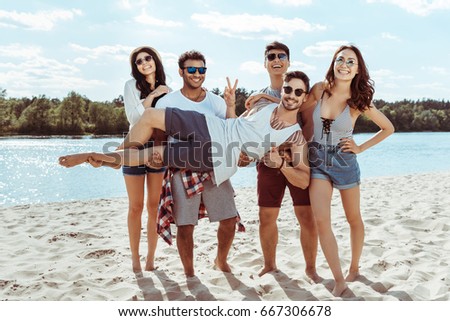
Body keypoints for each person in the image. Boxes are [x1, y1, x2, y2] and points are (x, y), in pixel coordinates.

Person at [58, 71, 311, 205]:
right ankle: (114, 158)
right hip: (212, 126)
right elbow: (240, 120)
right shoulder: (263, 104)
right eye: (287, 88)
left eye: (298, 92)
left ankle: (108, 158)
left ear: (304, 97)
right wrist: (266, 97)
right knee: (150, 116)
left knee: (156, 155)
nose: (291, 94)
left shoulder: (295, 137)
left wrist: (281, 165)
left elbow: (303, 179)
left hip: (221, 156)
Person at [299, 44, 395, 296]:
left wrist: (360, 147)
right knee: (321, 221)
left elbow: (388, 128)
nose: (344, 64)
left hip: (344, 160)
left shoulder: (358, 101)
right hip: (317, 159)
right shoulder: (320, 89)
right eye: (340, 59)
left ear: (357, 69)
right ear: (333, 63)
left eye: (350, 61)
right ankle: (339, 279)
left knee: (354, 218)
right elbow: (296, 106)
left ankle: (354, 268)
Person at [153, 50, 239, 277]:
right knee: (185, 224)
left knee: (229, 219)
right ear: (181, 72)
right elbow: (159, 135)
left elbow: (231, 132)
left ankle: (221, 261)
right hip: (182, 169)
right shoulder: (168, 101)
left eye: (202, 69)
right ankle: (189, 272)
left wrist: (231, 106)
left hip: (214, 167)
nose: (197, 74)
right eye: (191, 69)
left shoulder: (216, 102)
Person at [241, 41, 320, 281]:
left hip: (299, 158)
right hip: (268, 160)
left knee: (306, 216)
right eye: (272, 56)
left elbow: (299, 106)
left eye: (282, 56)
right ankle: (269, 265)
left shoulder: (298, 88)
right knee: (266, 216)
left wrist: (267, 96)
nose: (277, 60)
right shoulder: (259, 100)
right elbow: (244, 129)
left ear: (288, 61)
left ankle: (310, 268)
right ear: (265, 63)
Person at [122, 46, 170, 273]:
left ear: (155, 60)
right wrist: (151, 96)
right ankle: (135, 259)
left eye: (147, 58)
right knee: (135, 206)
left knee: (153, 206)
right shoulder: (131, 86)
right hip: (134, 146)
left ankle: (151, 258)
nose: (144, 63)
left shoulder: (168, 89)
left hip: (158, 149)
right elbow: (132, 117)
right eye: (139, 61)